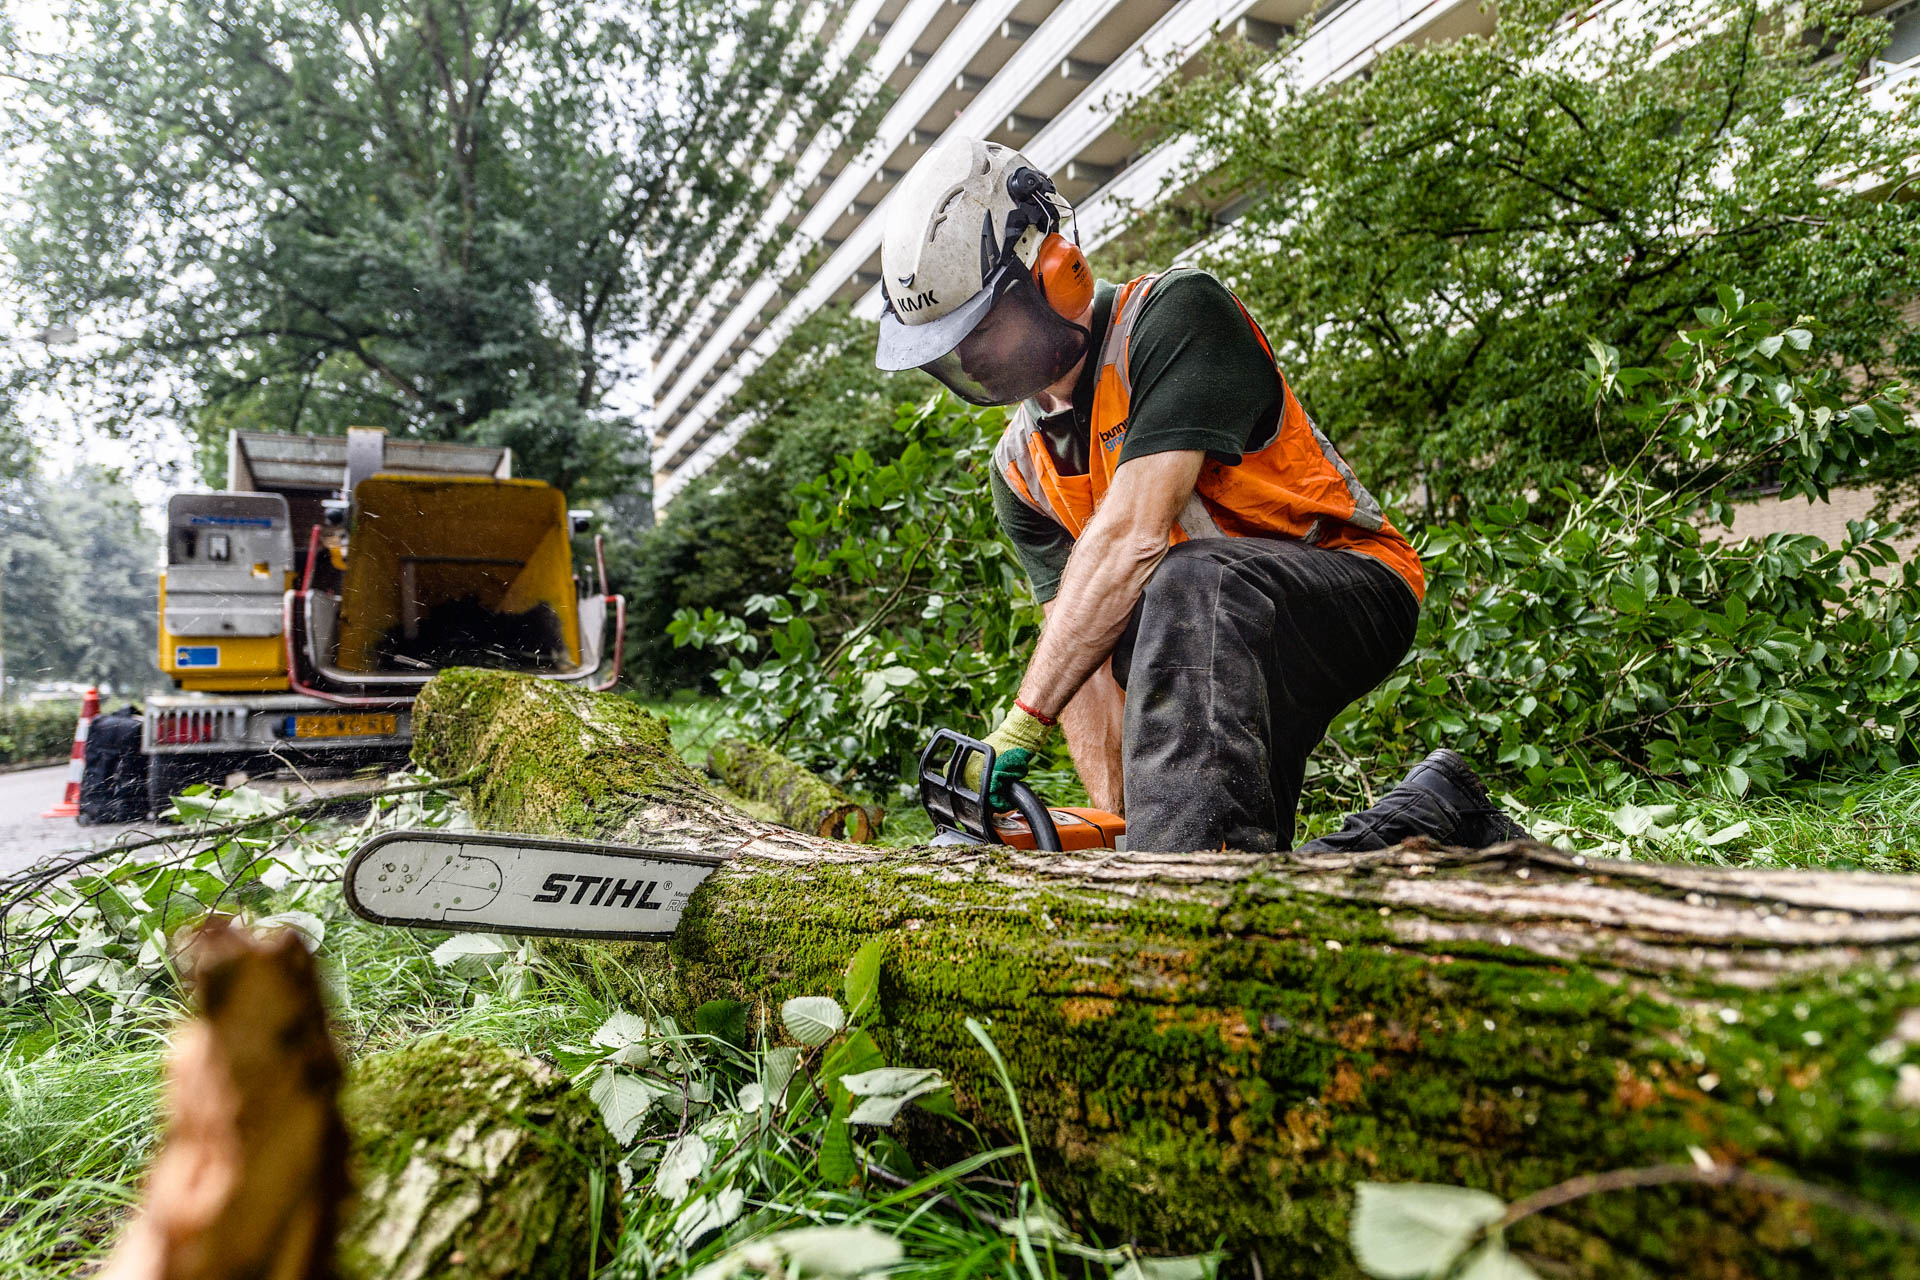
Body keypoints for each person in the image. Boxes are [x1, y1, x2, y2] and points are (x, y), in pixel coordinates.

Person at [874, 136, 1528, 853]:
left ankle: (1183, 896)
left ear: (1056, 271)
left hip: (1345, 586)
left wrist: (1021, 722)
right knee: (1230, 850)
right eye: (954, 346)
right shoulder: (1019, 471)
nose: (971, 358)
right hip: (1205, 642)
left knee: (1183, 582)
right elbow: (1080, 650)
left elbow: (1134, 536)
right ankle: (1433, 811)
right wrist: (1121, 829)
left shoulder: (1175, 317)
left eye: (984, 331)